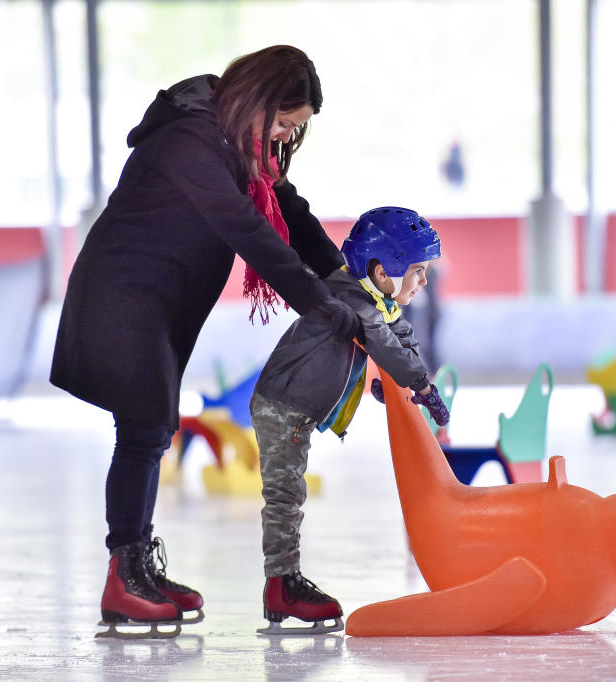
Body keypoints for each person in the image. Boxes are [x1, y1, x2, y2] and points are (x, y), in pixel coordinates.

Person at [49, 45, 360, 638]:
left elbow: (288, 212)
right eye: (284, 122)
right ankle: (125, 578)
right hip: (122, 295)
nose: (284, 137)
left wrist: (344, 282)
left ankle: (135, 568)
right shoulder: (192, 137)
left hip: (157, 302)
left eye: (294, 129)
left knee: (152, 430)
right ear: (259, 99)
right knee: (144, 429)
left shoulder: (237, 146)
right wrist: (319, 305)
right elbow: (244, 227)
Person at [250, 206, 450, 634]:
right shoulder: (353, 299)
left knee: (290, 493)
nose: (424, 282)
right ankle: (281, 585)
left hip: (298, 406)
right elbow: (385, 345)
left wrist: (406, 380)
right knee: (286, 496)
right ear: (382, 271)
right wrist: (422, 386)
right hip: (282, 406)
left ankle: (282, 580)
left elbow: (401, 337)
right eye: (417, 271)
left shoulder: (374, 301)